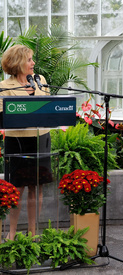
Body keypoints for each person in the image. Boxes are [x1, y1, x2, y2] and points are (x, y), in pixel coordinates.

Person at [0, 45, 52, 240]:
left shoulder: (41, 81)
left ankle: (33, 233)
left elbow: (49, 107)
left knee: (35, 188)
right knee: (17, 189)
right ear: (18, 62)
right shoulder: (4, 86)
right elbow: (1, 116)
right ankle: (11, 233)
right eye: (29, 60)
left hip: (41, 139)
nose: (33, 63)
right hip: (18, 142)